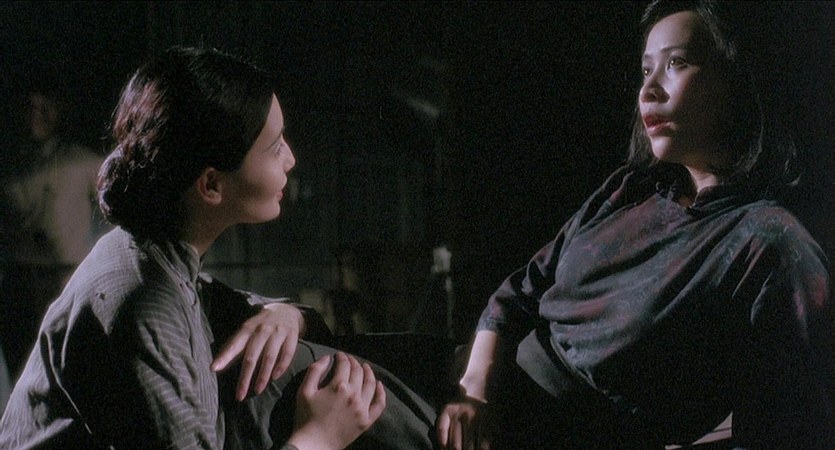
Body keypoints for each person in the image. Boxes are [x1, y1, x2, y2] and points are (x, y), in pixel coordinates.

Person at [437, 1, 831, 449]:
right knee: (362, 370)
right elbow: (517, 294)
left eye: (676, 63)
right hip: (474, 390)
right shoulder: (630, 189)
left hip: (541, 430)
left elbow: (787, 426)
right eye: (646, 70)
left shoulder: (768, 244)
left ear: (735, 80)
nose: (649, 90)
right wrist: (474, 394)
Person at [0, 46, 436, 450]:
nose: (291, 159)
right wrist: (318, 439)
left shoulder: (161, 257)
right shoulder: (143, 301)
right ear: (211, 184)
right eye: (275, 148)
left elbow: (236, 306)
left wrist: (286, 315)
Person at [0, 81, 107, 376]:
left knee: (69, 370)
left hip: (65, 284)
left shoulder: (82, 162)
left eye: (45, 107)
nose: (37, 115)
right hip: (19, 285)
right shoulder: (8, 165)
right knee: (22, 373)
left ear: (59, 111)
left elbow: (123, 206)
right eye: (30, 107)